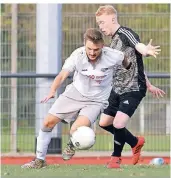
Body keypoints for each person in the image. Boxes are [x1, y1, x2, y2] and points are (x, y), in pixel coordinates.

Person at [21, 28, 131, 169]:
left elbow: (127, 62)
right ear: (84, 44)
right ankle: (39, 160)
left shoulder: (114, 55)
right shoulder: (77, 55)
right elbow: (62, 75)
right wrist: (52, 90)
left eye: (96, 49)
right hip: (74, 93)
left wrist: (127, 72)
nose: (92, 52)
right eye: (89, 48)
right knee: (47, 123)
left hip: (96, 101)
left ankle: (73, 143)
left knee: (75, 130)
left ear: (103, 45)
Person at [95, 5, 165, 169]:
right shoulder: (112, 43)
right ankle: (135, 142)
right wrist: (150, 83)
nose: (101, 27)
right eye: (98, 24)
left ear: (112, 19)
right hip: (117, 89)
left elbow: (138, 46)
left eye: (102, 22)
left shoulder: (126, 33)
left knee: (118, 124)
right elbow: (136, 64)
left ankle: (115, 159)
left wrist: (146, 50)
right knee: (104, 123)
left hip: (133, 88)